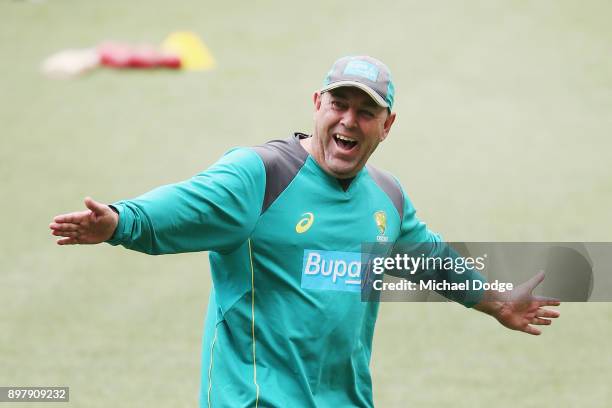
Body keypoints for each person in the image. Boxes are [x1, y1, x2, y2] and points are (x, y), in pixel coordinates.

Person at [50, 56, 561, 407]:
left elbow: (426, 256)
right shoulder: (261, 175)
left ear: (388, 125)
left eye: (366, 112)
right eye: (339, 105)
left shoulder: (387, 197)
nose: (349, 121)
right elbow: (183, 205)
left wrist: (494, 302)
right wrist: (120, 221)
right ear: (317, 103)